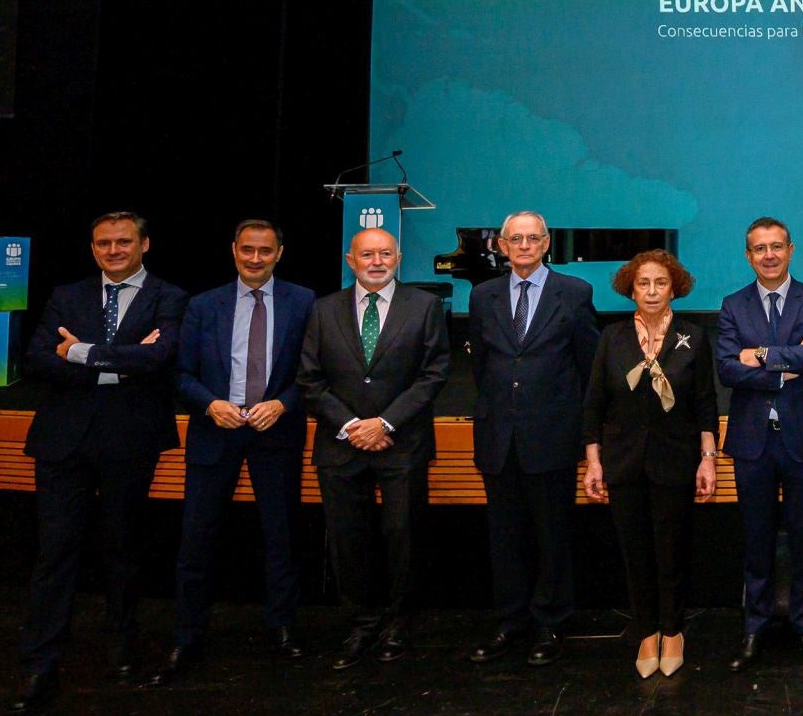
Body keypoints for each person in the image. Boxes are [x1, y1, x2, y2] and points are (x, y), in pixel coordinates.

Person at [10, 212, 188, 714]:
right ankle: (39, 664)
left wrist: (81, 353)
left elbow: (159, 360)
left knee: (122, 549)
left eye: (123, 241)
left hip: (130, 441)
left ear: (144, 244)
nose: (113, 250)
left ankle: (120, 647)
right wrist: (119, 362)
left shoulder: (169, 297)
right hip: (62, 442)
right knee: (55, 554)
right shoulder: (66, 295)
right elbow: (38, 360)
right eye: (103, 243)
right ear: (92, 248)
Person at [147, 220, 313, 687]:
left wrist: (283, 403)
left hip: (276, 431)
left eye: (264, 251)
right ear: (233, 251)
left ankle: (282, 627)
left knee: (281, 538)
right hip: (214, 431)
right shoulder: (202, 305)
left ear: (280, 252)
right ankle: (188, 636)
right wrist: (208, 404)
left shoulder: (304, 303)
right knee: (196, 539)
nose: (255, 259)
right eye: (247, 250)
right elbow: (179, 373)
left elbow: (315, 372)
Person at [296, 228, 450, 669]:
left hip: (401, 443)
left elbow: (434, 374)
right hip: (340, 445)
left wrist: (383, 423)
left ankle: (399, 623)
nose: (377, 261)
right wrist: (350, 425)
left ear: (399, 257)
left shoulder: (424, 307)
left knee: (403, 536)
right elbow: (309, 379)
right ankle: (362, 623)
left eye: (385, 253)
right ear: (351, 259)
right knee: (348, 540)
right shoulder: (323, 310)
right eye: (368, 254)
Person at [466, 211, 599, 668]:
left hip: (553, 435)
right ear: (501, 246)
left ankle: (550, 622)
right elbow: (482, 366)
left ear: (546, 244)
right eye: (514, 239)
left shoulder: (575, 293)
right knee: (505, 538)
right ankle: (510, 620)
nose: (523, 246)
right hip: (498, 435)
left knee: (551, 535)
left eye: (532, 238)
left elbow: (588, 367)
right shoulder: (482, 296)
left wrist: (586, 435)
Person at [584, 249, 718, 678]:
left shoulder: (693, 337)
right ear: (631, 288)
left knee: (672, 550)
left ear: (674, 286)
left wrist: (708, 460)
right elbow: (594, 405)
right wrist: (593, 461)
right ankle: (646, 631)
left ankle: (673, 630)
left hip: (676, 462)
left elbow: (705, 404)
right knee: (635, 553)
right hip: (622, 463)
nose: (652, 290)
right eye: (644, 283)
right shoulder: (612, 337)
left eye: (661, 282)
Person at [717, 217, 803, 672]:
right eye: (759, 248)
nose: (768, 255)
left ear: (791, 249)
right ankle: (755, 627)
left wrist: (765, 356)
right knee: (757, 540)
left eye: (776, 247)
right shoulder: (732, 306)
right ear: (748, 256)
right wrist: (791, 362)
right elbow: (728, 369)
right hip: (752, 442)